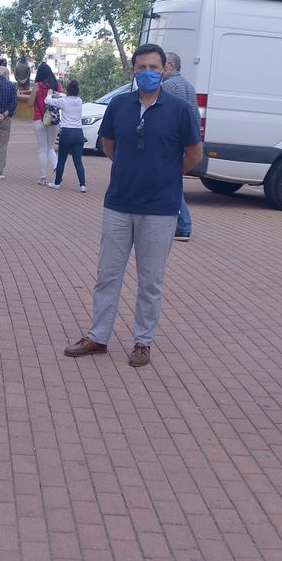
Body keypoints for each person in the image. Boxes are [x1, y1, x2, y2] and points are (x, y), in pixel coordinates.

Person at [63, 44, 202, 369]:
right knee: (107, 275)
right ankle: (98, 336)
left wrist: (167, 175)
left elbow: (193, 154)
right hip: (119, 203)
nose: (148, 72)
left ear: (164, 70)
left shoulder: (179, 109)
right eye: (142, 67)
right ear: (134, 71)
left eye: (154, 67)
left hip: (160, 208)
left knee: (150, 280)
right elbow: (110, 146)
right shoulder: (120, 106)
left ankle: (143, 342)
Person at [162, 52, 199, 241]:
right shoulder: (189, 87)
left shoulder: (167, 86)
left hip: (171, 141)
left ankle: (183, 223)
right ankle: (182, 224)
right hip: (185, 141)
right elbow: (194, 116)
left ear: (168, 66)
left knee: (169, 180)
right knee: (174, 180)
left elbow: (162, 116)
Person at [46, 79, 88, 192]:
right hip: (79, 133)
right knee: (78, 160)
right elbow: (67, 96)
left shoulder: (63, 102)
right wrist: (60, 95)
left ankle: (57, 182)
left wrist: (50, 94)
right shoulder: (79, 101)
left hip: (66, 132)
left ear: (68, 90)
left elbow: (47, 101)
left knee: (61, 160)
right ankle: (82, 185)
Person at [32, 62, 62, 185]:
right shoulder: (57, 85)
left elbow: (29, 103)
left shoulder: (37, 86)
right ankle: (57, 171)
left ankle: (43, 176)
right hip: (54, 120)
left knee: (42, 149)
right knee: (50, 148)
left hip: (39, 119)